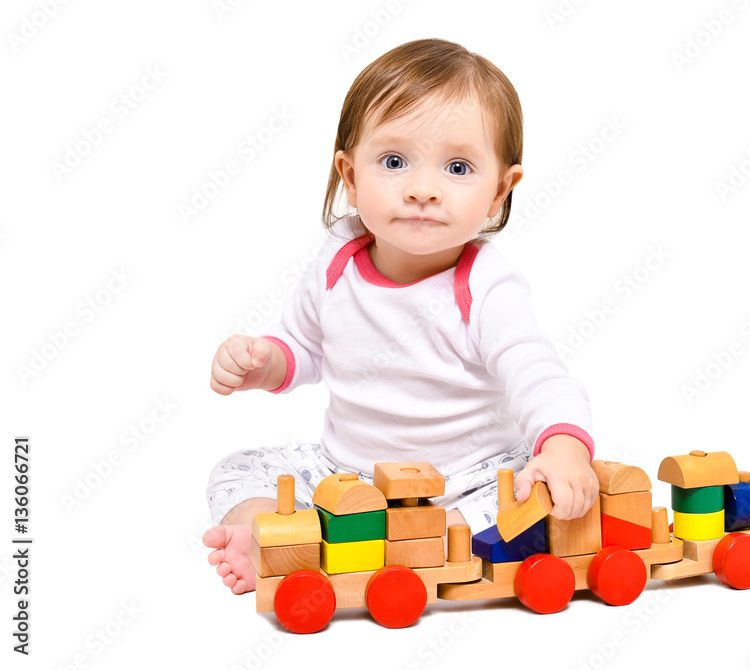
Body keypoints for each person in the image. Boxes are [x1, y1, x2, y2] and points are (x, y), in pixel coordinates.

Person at [202, 37, 599, 595]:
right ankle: (273, 537)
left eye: (457, 167)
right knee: (235, 471)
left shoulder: (485, 284)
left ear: (499, 191)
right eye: (394, 162)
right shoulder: (338, 262)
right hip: (347, 475)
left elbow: (537, 373)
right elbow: (305, 346)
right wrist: (264, 361)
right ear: (350, 176)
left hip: (465, 478)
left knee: (522, 505)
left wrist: (563, 449)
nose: (422, 190)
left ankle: (374, 547)